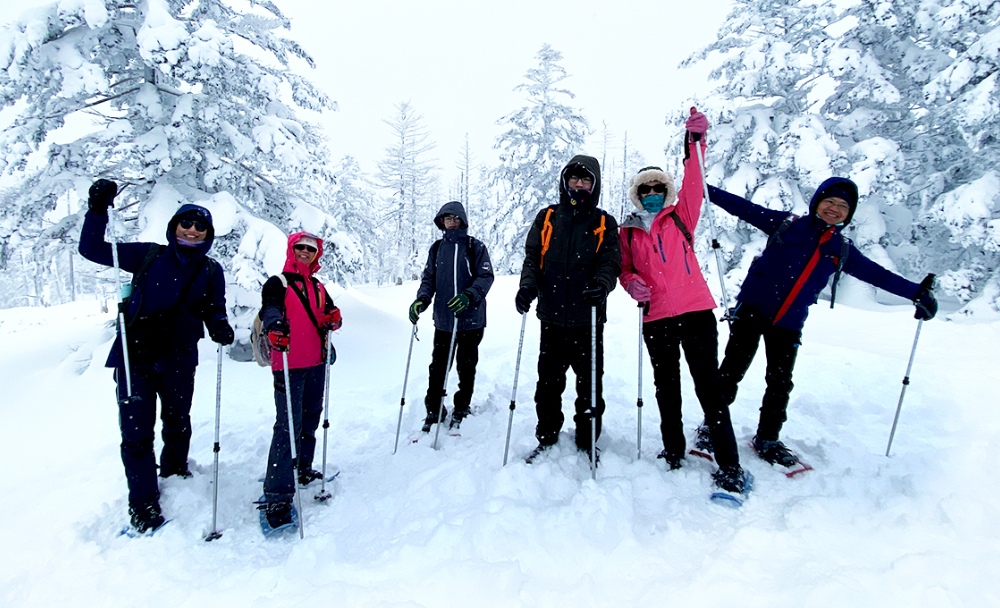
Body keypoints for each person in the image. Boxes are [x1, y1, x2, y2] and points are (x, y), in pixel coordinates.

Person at [707, 177, 938, 466]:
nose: (835, 208)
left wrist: (916, 293)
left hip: (789, 323)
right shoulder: (787, 225)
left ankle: (767, 438)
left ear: (848, 214)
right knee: (731, 371)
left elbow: (877, 275)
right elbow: (741, 207)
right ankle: (711, 426)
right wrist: (701, 186)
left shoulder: (841, 249)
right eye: (830, 201)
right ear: (817, 202)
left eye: (843, 206)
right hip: (752, 311)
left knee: (779, 383)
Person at [79, 179, 234, 534]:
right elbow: (91, 249)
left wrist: (220, 325)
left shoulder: (211, 271)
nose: (192, 230)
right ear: (174, 226)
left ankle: (175, 472)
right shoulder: (148, 255)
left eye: (200, 226)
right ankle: (143, 502)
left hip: (180, 357)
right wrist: (97, 210)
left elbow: (215, 308)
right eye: (187, 223)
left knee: (178, 421)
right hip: (136, 358)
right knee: (136, 433)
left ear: (208, 234)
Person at [618, 111, 749, 492]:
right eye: (646, 189)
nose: (653, 193)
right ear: (637, 195)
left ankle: (730, 464)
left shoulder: (682, 216)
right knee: (666, 386)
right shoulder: (627, 232)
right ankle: (673, 449)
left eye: (659, 186)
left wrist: (694, 141)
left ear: (667, 190)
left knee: (709, 388)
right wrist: (632, 285)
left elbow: (695, 178)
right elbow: (624, 270)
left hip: (695, 313)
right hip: (655, 318)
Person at [516, 155, 621, 462]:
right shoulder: (547, 217)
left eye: (585, 179)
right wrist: (527, 287)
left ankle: (588, 440)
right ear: (565, 181)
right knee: (547, 384)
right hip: (551, 318)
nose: (579, 184)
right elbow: (532, 257)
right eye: (574, 178)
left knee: (589, 385)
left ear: (594, 185)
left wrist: (602, 285)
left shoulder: (604, 222)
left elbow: (610, 262)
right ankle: (546, 436)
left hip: (587, 318)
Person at [258, 232, 342, 529]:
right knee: (287, 426)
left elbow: (327, 316)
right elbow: (269, 308)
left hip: (316, 363)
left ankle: (302, 467)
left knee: (309, 419)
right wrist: (274, 324)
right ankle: (277, 494)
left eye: (311, 248)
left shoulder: (318, 287)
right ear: (291, 250)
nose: (305, 252)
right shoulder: (278, 283)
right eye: (300, 247)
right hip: (288, 363)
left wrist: (333, 318)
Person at [409, 202, 494, 432]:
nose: (452, 222)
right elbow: (429, 279)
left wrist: (469, 296)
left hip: (471, 320)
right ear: (442, 222)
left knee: (466, 366)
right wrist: (421, 300)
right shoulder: (437, 249)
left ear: (463, 220)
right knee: (438, 366)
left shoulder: (474, 246)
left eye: (455, 218)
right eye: (447, 219)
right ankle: (434, 409)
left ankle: (461, 407)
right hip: (445, 320)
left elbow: (485, 276)